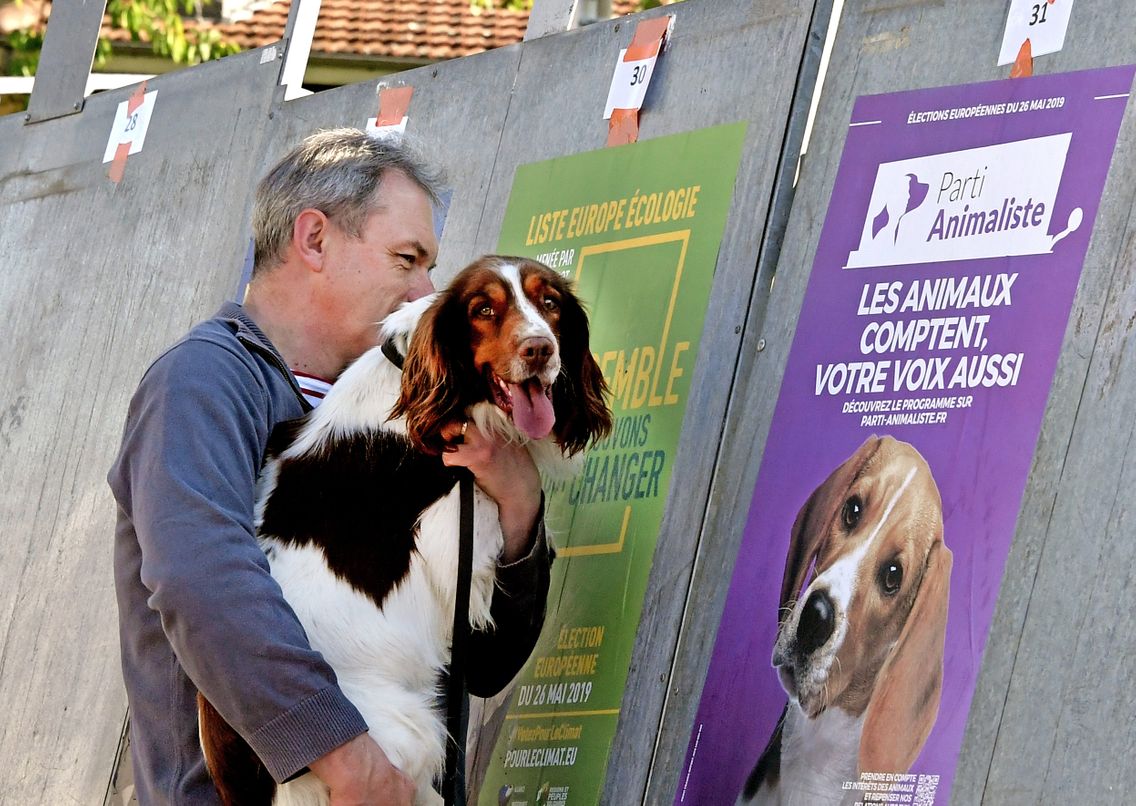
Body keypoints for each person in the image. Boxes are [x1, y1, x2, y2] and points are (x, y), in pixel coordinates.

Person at [109, 128, 552, 805]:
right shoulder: (203, 384)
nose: (428, 289)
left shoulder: (409, 406)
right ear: (314, 239)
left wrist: (520, 508)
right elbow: (201, 581)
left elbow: (483, 664)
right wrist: (348, 759)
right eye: (408, 259)